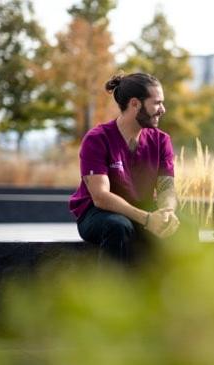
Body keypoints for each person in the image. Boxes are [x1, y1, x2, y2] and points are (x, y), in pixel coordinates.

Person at [69, 72, 180, 265]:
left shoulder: (162, 140)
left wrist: (167, 211)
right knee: (118, 226)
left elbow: (167, 187)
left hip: (143, 209)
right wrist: (147, 220)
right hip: (98, 213)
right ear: (135, 103)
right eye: (157, 103)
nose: (163, 109)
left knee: (185, 227)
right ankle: (108, 294)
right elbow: (100, 197)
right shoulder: (97, 139)